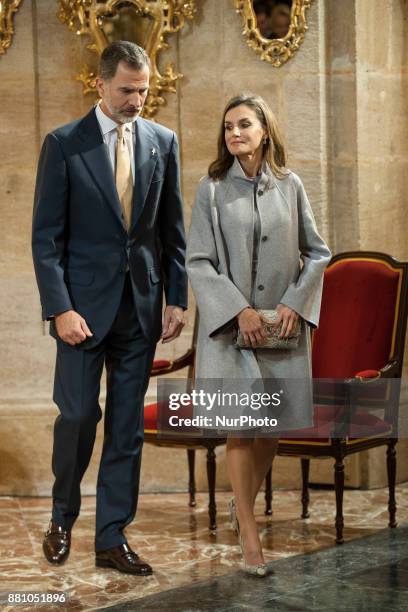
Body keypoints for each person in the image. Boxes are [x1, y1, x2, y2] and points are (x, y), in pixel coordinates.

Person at [32, 41, 187, 575]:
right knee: (77, 415)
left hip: (141, 308)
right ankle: (60, 516)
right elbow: (46, 239)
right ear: (100, 84)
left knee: (127, 428)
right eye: (127, 90)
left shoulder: (162, 142)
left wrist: (177, 297)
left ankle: (111, 537)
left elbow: (172, 230)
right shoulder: (63, 144)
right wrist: (59, 309)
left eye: (144, 89)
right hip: (81, 311)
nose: (137, 100)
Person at [186, 93, 331, 576]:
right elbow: (199, 261)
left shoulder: (291, 186)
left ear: (264, 130)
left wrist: (294, 301)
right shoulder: (210, 189)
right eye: (228, 126)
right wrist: (237, 310)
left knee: (269, 428)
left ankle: (240, 501)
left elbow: (318, 252)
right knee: (240, 429)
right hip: (231, 331)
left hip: (280, 329)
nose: (234, 133)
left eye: (244, 124)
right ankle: (250, 535)